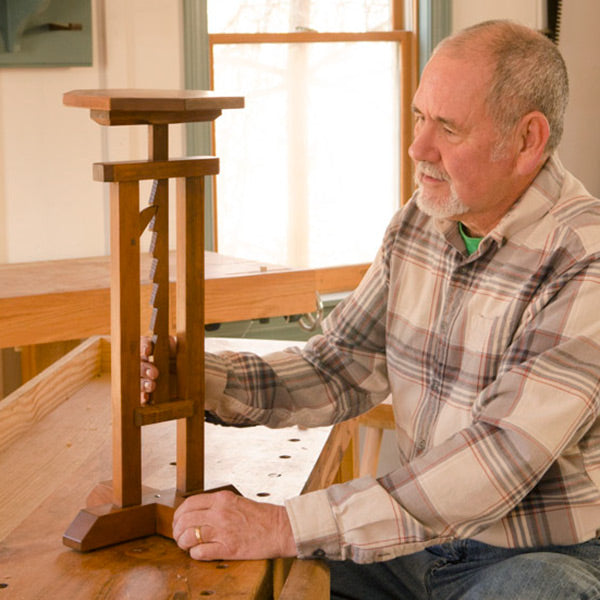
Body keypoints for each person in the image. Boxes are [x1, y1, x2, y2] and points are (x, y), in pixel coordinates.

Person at [141, 20, 600, 599]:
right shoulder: (421, 221)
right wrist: (202, 379)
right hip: (415, 546)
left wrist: (286, 524)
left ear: (528, 140)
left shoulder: (585, 259)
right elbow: (339, 367)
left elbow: (498, 462)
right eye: (419, 116)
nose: (418, 148)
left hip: (532, 558)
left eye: (448, 128)